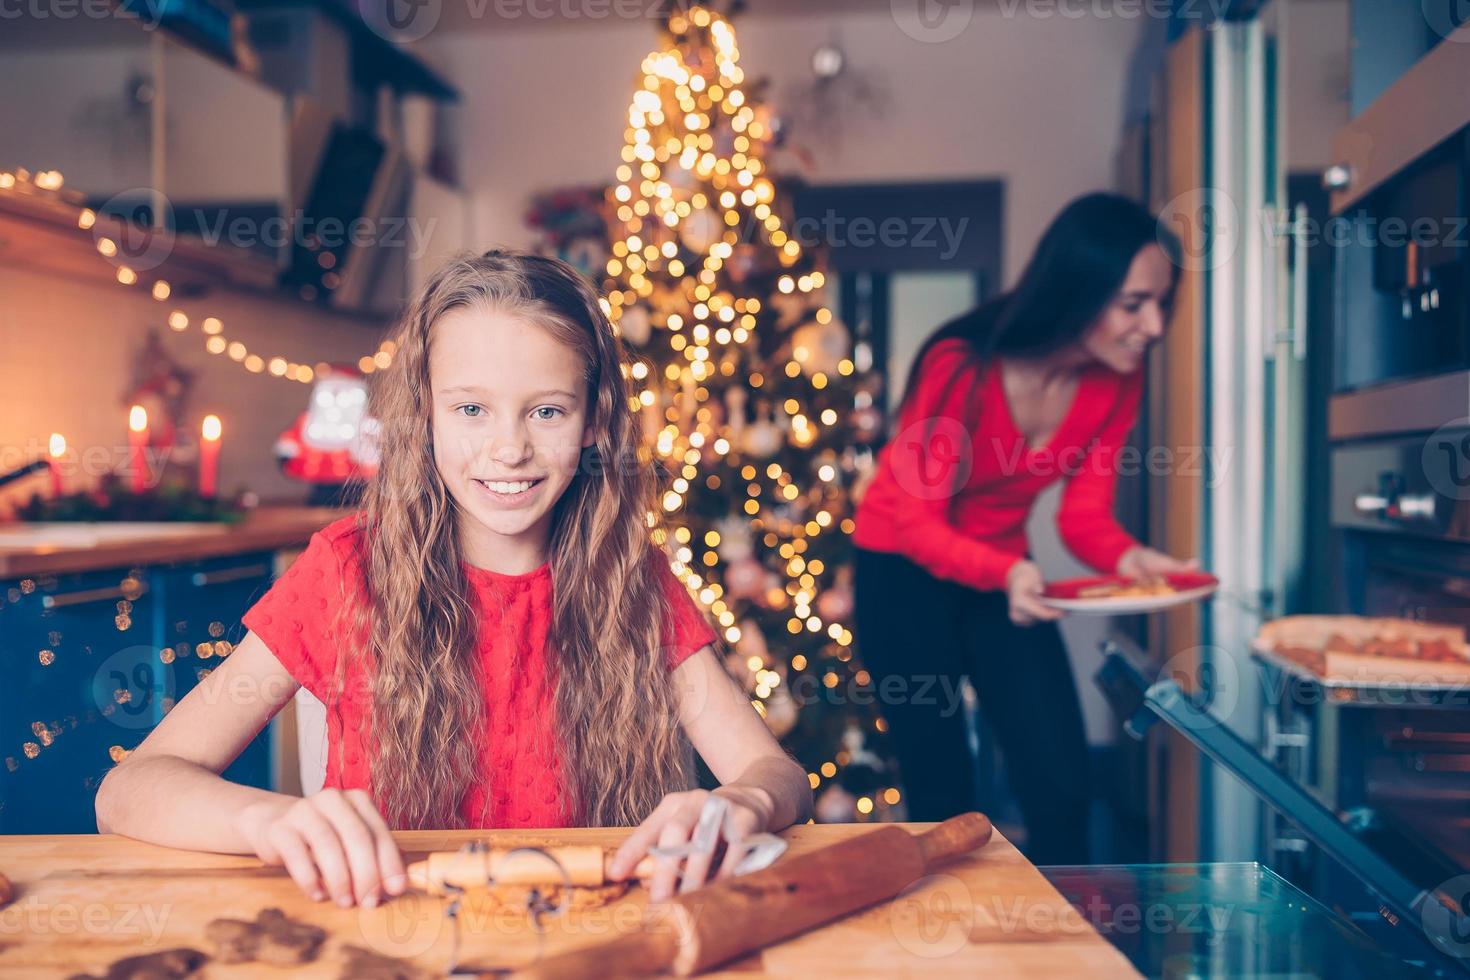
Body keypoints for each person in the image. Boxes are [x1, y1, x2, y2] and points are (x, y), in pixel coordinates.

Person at [96, 250, 812, 907]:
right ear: (425, 414)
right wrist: (270, 818)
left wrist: (739, 804)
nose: (509, 448)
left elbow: (777, 776)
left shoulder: (637, 582)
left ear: (593, 419)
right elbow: (129, 790)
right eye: (471, 409)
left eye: (547, 411)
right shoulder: (347, 573)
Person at [851, 193, 1192, 864]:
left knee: (1061, 783)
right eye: (1133, 304)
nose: (1153, 325)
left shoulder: (1117, 379)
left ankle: (1060, 950)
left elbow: (1083, 517)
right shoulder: (961, 366)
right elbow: (919, 524)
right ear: (1077, 292)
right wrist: (1007, 572)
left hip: (1004, 570)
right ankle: (950, 958)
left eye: (1161, 303)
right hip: (902, 572)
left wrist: (1135, 560)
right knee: (943, 789)